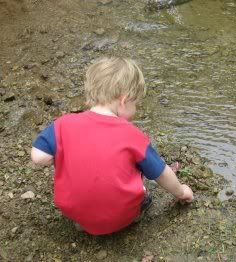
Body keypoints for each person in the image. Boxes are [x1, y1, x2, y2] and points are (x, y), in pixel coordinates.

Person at [31, 57, 194, 235]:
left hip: (73, 211)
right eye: (136, 103)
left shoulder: (64, 124)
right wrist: (181, 191)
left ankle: (84, 220)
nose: (136, 109)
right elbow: (161, 173)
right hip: (120, 217)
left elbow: (39, 158)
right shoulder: (132, 134)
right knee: (142, 178)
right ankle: (129, 216)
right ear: (124, 100)